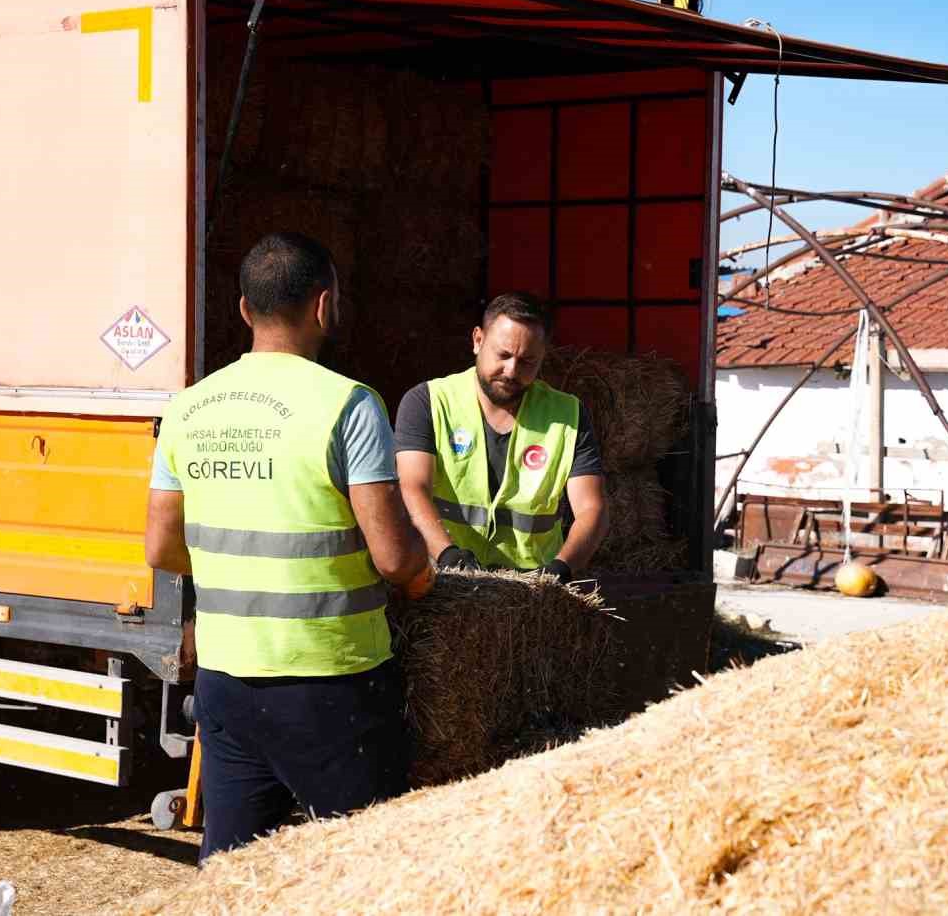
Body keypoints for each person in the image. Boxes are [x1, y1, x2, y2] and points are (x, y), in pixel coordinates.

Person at [144, 232, 434, 863]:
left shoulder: (186, 410)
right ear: (324, 306)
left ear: (244, 310)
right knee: (362, 867)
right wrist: (424, 581)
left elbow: (161, 548)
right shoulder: (349, 405)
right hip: (333, 682)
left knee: (236, 872)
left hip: (226, 681)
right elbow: (393, 557)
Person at [394, 292, 607, 580]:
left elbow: (592, 508)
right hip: (445, 580)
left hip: (535, 585)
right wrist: (447, 554)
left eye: (527, 361)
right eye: (503, 355)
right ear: (477, 340)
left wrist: (560, 569)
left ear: (543, 357)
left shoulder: (569, 414)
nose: (511, 371)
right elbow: (411, 488)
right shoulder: (427, 402)